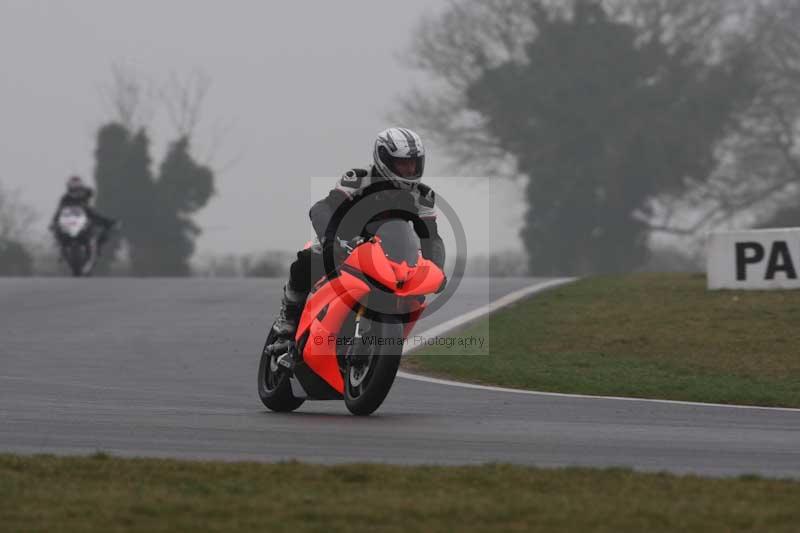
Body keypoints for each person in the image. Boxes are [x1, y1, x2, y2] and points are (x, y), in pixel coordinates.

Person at [271, 127, 446, 357]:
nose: (410, 169)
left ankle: (381, 342)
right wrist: (330, 239)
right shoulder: (358, 179)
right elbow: (322, 208)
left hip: (391, 256)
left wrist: (436, 269)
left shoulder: (423, 196)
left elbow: (431, 237)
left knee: (416, 292)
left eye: (414, 164)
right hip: (345, 243)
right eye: (403, 164)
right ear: (383, 159)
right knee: (308, 258)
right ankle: (288, 319)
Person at [49, 176, 117, 247]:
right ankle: (62, 248)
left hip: (83, 222)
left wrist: (107, 223)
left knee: (95, 219)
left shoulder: (84, 197)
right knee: (58, 231)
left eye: (77, 189)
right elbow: (59, 211)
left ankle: (100, 239)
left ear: (81, 188)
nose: (75, 192)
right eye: (73, 189)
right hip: (69, 224)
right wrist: (54, 222)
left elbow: (91, 195)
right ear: (69, 188)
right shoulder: (65, 198)